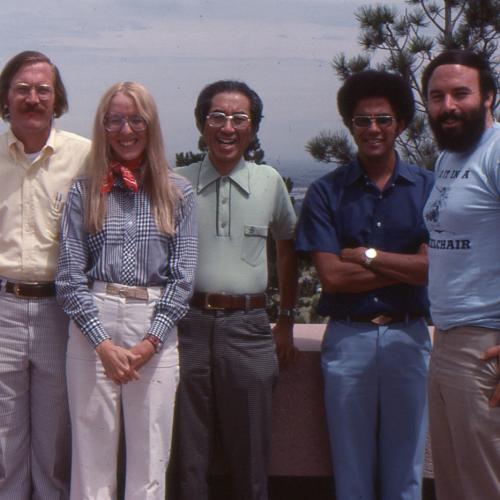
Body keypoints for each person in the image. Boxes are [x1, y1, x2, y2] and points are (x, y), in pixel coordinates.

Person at [296, 70, 434, 500]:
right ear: (350, 125)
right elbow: (332, 277)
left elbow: (432, 270)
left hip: (409, 337)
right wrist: (406, 263)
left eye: (383, 119)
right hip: (348, 339)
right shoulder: (326, 192)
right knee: (350, 468)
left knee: (406, 468)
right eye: (362, 120)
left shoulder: (428, 188)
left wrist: (369, 256)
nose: (372, 129)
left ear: (401, 124)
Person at [55, 81, 197, 500]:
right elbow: (68, 276)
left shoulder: (177, 193)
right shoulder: (84, 191)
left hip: (154, 324)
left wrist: (150, 343)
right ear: (103, 127)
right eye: (115, 120)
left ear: (151, 125)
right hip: (92, 323)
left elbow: (183, 277)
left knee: (152, 452)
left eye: (136, 119)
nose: (126, 129)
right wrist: (102, 344)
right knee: (92, 455)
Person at [173, 80, 298, 500]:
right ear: (201, 124)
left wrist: (286, 320)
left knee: (251, 450)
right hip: (185, 326)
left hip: (249, 329)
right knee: (186, 451)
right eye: (218, 117)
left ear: (254, 128)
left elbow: (287, 249)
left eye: (240, 118)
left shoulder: (269, 181)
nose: (228, 127)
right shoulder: (177, 182)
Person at [0, 50, 90, 499]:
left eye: (43, 90)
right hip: (2, 308)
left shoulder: (85, 157)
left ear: (57, 100)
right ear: (5, 98)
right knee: (3, 439)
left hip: (62, 310)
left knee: (55, 438)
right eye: (22, 89)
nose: (32, 98)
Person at [422, 49, 500, 500]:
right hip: (448, 339)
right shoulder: (447, 160)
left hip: (485, 345)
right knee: (454, 486)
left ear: (489, 97)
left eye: (460, 93)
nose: (447, 106)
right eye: (436, 96)